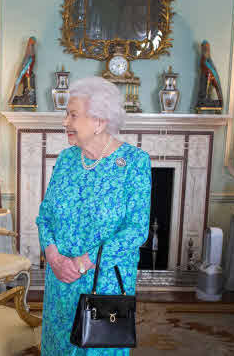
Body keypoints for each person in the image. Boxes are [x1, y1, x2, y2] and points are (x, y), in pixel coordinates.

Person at [36, 76, 151, 356]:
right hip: (60, 279)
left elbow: (136, 230)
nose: (65, 122)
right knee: (58, 346)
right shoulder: (66, 159)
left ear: (100, 121)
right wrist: (53, 257)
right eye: (66, 114)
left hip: (104, 284)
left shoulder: (134, 163)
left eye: (72, 115)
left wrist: (82, 263)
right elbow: (45, 216)